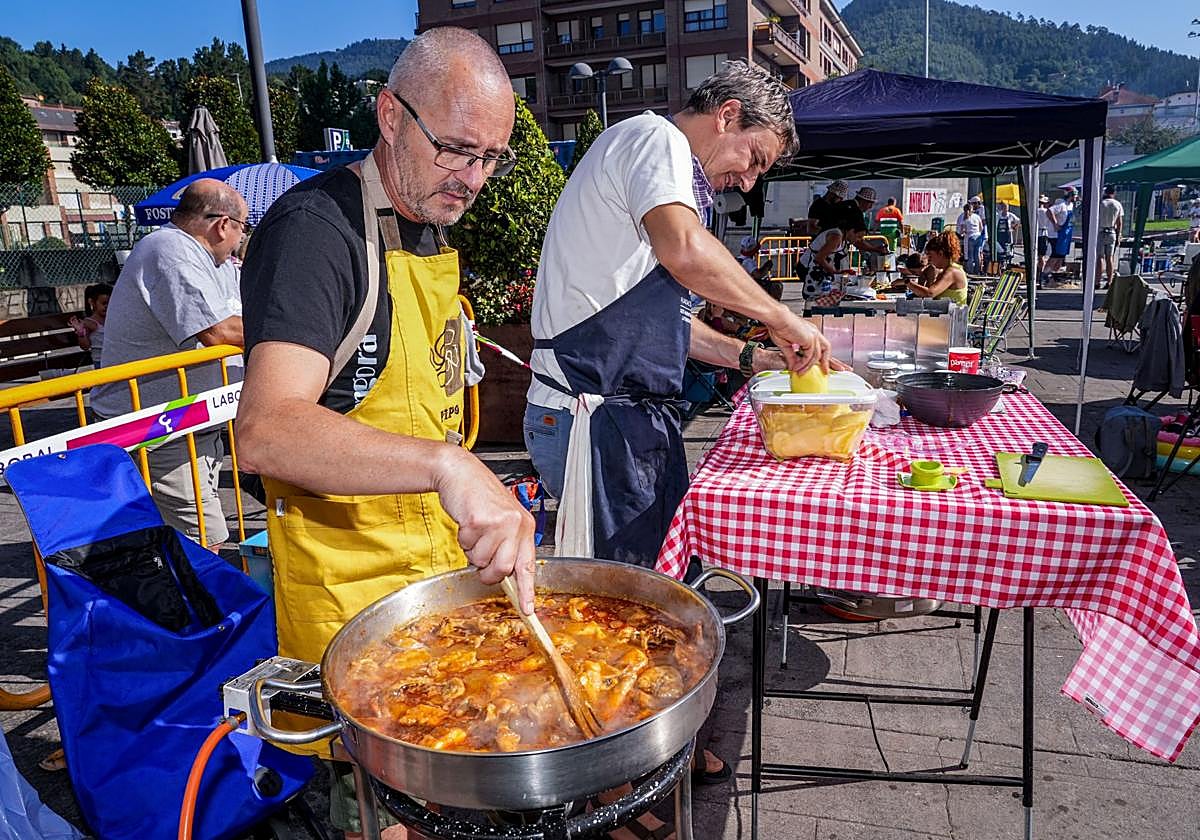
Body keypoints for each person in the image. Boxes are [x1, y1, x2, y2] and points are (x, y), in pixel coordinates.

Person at [235, 29, 537, 840]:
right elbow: (265, 429)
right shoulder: (316, 232)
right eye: (457, 150)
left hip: (437, 596)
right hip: (356, 618)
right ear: (390, 116)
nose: (473, 179)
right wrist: (449, 464)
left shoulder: (429, 224)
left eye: (491, 159)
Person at [524, 60, 834, 817]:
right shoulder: (654, 140)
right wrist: (780, 317)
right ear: (726, 114)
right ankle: (609, 791)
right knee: (614, 609)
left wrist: (751, 355)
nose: (748, 180)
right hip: (596, 417)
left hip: (633, 417)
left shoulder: (661, 172)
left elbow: (666, 323)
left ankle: (652, 752)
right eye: (754, 158)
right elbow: (686, 252)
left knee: (656, 591)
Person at [90, 180, 248, 549]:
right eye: (243, 228)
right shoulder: (170, 250)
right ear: (223, 225)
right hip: (159, 427)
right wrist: (294, 327)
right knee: (202, 538)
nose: (241, 238)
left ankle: (190, 599)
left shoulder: (214, 261)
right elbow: (220, 333)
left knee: (187, 536)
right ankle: (206, 605)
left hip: (189, 421)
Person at [797, 209, 864, 305]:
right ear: (851, 231)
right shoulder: (836, 236)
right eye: (859, 236)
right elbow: (819, 258)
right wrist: (834, 272)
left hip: (818, 269)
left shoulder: (843, 238)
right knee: (815, 297)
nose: (859, 240)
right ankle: (811, 312)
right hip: (808, 268)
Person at [908, 231, 969, 304]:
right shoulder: (946, 270)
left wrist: (907, 282)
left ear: (940, 254)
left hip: (954, 314)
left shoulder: (952, 272)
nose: (929, 260)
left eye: (930, 256)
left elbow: (930, 293)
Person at [68, 282, 111, 368]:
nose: (107, 306)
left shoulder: (111, 318)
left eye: (110, 303)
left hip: (115, 359)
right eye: (103, 303)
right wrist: (81, 333)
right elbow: (85, 346)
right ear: (92, 302)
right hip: (100, 362)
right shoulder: (89, 323)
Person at [1097, 185, 1124, 289]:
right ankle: (1109, 281)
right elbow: (1119, 222)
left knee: (1100, 257)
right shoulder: (1117, 204)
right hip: (1112, 231)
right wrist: (1119, 235)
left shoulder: (1100, 204)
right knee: (1110, 257)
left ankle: (1097, 281)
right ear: (1114, 193)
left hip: (1100, 231)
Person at [1046, 187, 1076, 275]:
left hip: (1066, 234)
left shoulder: (1070, 205)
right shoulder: (1061, 204)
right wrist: (1055, 224)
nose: (1076, 198)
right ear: (1070, 195)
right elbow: (1049, 211)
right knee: (1055, 256)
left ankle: (1054, 275)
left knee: (1061, 256)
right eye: (1074, 195)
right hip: (1057, 235)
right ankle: (1045, 275)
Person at [956, 203, 984, 274]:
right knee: (977, 254)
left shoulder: (964, 218)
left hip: (969, 237)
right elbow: (981, 227)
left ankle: (970, 271)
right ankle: (977, 271)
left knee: (969, 256)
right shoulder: (977, 216)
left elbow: (960, 231)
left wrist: (962, 234)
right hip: (978, 236)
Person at [1035, 194, 1056, 281]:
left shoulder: (1035, 211)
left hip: (1038, 233)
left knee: (1038, 255)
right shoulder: (1046, 211)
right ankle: (1041, 272)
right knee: (1041, 256)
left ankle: (1038, 271)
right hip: (1043, 233)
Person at [994, 201, 1020, 266]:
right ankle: (1000, 265)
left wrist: (1013, 228)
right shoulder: (998, 215)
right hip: (999, 235)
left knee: (1008, 251)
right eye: (1004, 207)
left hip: (1007, 236)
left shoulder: (1010, 215)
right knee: (1000, 252)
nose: (1005, 209)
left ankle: (1008, 264)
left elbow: (1018, 221)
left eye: (1006, 208)